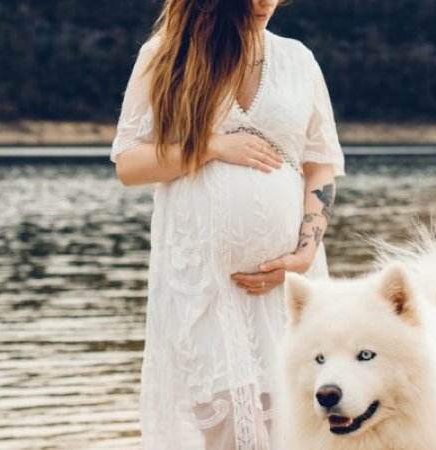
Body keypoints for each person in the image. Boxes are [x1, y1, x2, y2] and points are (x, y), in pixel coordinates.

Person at [110, 0, 345, 448]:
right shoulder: (167, 54)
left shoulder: (299, 60)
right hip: (201, 285)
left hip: (288, 285)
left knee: (298, 428)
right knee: (227, 434)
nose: (261, 3)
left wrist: (305, 252)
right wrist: (212, 147)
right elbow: (129, 164)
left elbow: (321, 164)